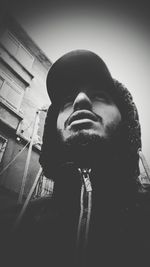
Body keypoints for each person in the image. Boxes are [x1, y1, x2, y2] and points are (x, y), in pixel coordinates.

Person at [1, 50, 150, 267]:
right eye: (67, 100)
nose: (80, 100)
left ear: (126, 120)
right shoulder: (11, 227)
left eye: (99, 96)